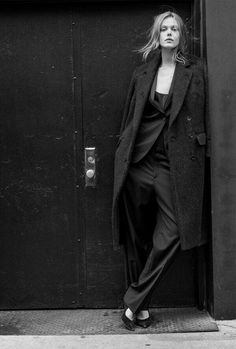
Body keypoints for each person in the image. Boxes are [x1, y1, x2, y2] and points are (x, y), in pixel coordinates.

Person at [112, 11, 210, 331]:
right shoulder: (142, 73)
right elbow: (130, 117)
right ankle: (141, 309)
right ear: (157, 35)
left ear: (182, 35)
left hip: (173, 166)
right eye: (164, 29)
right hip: (139, 163)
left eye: (175, 29)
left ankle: (133, 300)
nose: (169, 33)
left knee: (173, 232)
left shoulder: (195, 71)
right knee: (136, 238)